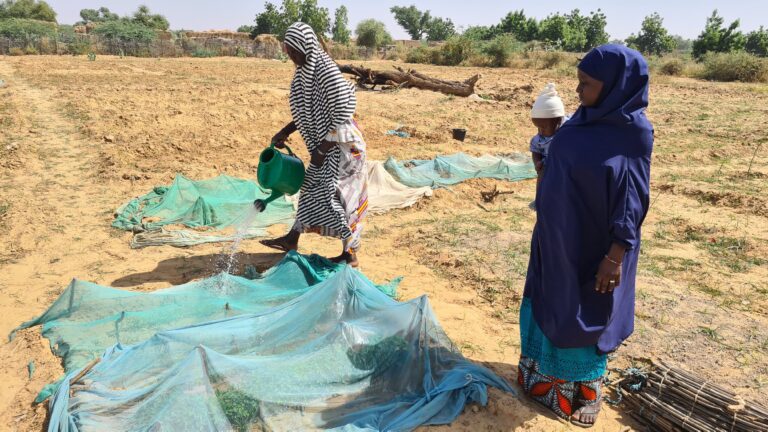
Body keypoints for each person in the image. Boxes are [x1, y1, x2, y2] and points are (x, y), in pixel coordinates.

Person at [517, 44, 653, 428]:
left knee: (588, 311)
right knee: (550, 298)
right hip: (556, 236)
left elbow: (632, 199)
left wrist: (615, 256)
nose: (577, 92)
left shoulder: (632, 134)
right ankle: (539, 376)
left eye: (586, 84)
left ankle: (585, 392)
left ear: (615, 86)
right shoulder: (581, 120)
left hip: (595, 244)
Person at [260, 23, 368, 267]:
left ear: (305, 47)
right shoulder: (303, 74)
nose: (292, 57)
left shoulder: (327, 73)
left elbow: (342, 116)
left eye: (294, 52)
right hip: (326, 149)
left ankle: (350, 254)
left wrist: (321, 149)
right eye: (289, 53)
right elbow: (307, 111)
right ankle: (292, 238)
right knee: (309, 190)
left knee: (336, 198)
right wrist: (285, 131)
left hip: (344, 150)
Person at [529, 83, 567, 209]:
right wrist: (537, 162)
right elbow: (536, 151)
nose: (540, 130)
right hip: (547, 165)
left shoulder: (567, 132)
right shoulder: (539, 139)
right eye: (537, 127)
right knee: (542, 176)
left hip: (564, 166)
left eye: (544, 127)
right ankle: (540, 201)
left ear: (558, 121)